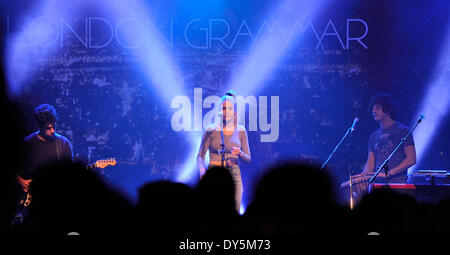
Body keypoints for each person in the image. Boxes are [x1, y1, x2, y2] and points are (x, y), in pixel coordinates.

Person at [15, 104, 73, 223]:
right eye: (48, 128)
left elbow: (70, 174)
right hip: (30, 204)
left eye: (54, 126)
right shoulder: (27, 144)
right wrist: (21, 181)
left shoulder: (63, 144)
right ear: (38, 126)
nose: (52, 131)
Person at [197, 90, 251, 212]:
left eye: (230, 109)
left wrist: (241, 153)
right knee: (214, 212)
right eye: (224, 108)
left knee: (233, 213)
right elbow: (200, 155)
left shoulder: (241, 130)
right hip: (214, 173)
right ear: (220, 111)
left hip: (234, 174)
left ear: (234, 111)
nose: (227, 112)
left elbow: (248, 158)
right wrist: (202, 170)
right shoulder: (211, 129)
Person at [356, 93, 416, 184]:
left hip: (398, 184)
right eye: (373, 108)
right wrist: (361, 176)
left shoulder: (402, 131)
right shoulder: (373, 136)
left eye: (377, 108)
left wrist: (389, 173)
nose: (374, 111)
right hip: (378, 184)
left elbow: (411, 159)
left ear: (388, 109)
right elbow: (370, 165)